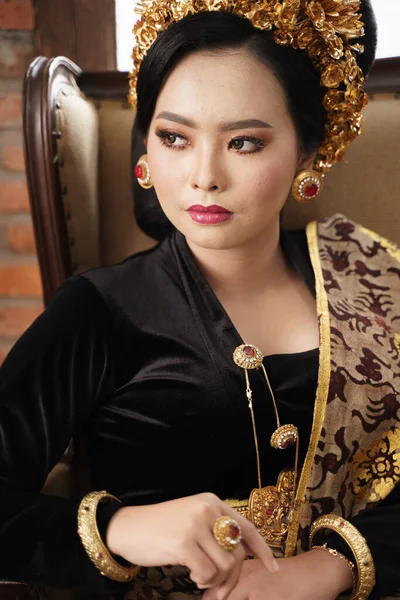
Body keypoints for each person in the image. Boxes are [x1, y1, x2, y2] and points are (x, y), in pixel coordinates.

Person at [0, 1, 399, 599]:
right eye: (174, 137)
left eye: (243, 143)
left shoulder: (371, 278)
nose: (203, 175)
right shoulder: (99, 311)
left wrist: (325, 569)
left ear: (308, 154)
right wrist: (121, 527)